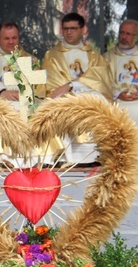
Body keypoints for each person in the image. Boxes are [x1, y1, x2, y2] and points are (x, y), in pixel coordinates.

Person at [0, 21, 53, 166]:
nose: (11, 42)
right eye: (7, 39)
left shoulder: (29, 59)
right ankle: (0, 159)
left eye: (14, 38)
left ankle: (35, 159)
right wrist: (0, 92)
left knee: (38, 111)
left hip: (25, 101)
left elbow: (40, 88)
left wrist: (25, 94)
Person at [42, 12, 110, 164]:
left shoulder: (93, 55)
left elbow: (100, 78)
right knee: (57, 106)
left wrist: (73, 85)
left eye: (73, 28)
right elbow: (53, 82)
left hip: (88, 94)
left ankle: (95, 155)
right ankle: (66, 156)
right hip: (64, 97)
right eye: (65, 29)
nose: (69, 32)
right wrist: (72, 88)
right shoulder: (52, 55)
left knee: (102, 103)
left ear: (82, 30)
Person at [103, 19, 138, 159]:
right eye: (122, 33)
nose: (124, 37)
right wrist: (118, 93)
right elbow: (102, 82)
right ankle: (118, 153)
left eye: (129, 34)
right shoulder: (107, 58)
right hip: (117, 98)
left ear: (136, 36)